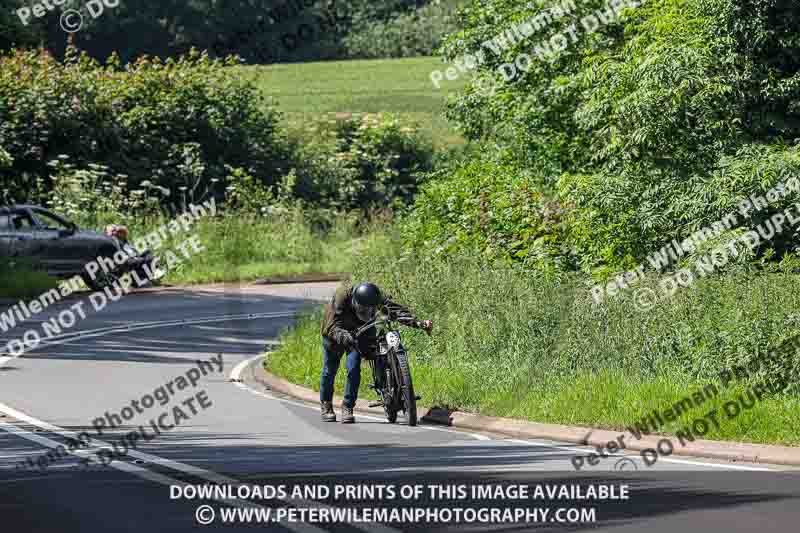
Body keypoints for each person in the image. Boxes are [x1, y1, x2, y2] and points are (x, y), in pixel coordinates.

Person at [319, 282, 433, 424]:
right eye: (362, 309)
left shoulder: (374, 297)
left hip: (361, 330)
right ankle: (326, 405)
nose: (365, 312)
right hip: (336, 335)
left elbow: (394, 310)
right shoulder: (341, 299)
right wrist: (344, 336)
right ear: (354, 302)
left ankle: (348, 407)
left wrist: (417, 322)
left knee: (353, 368)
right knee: (329, 370)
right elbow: (331, 326)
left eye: (369, 310)